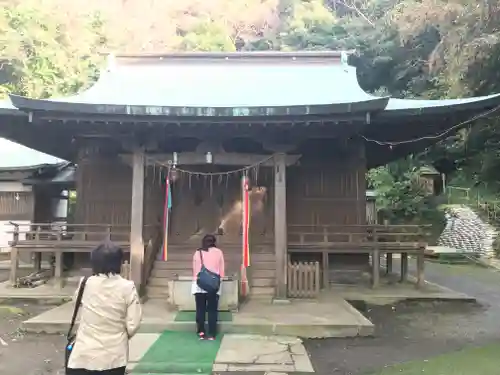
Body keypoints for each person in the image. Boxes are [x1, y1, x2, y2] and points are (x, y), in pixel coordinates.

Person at [67, 241, 143, 375]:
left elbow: (76, 305)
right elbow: (133, 324)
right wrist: (120, 335)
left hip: (83, 353)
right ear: (118, 262)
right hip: (113, 355)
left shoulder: (86, 283)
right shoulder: (127, 287)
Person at [192, 234, 225, 340]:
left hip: (200, 285)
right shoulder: (219, 252)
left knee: (200, 309)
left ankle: (201, 332)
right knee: (212, 310)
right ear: (214, 242)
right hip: (213, 285)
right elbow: (222, 271)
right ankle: (212, 334)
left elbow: (195, 270)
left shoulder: (198, 252)